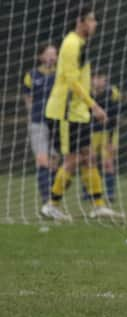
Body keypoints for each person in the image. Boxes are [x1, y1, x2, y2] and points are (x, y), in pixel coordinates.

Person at [41, 5, 121, 221]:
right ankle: (51, 204)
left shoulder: (81, 44)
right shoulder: (70, 44)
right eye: (91, 20)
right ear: (80, 21)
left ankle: (99, 205)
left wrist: (87, 106)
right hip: (65, 113)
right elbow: (71, 80)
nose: (95, 24)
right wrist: (93, 105)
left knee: (88, 157)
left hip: (78, 113)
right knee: (72, 159)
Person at [23, 43, 58, 204]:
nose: (52, 57)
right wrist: (34, 117)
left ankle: (54, 197)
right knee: (42, 160)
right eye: (48, 54)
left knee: (55, 160)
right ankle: (46, 198)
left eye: (54, 54)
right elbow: (28, 100)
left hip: (57, 122)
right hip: (38, 122)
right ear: (41, 56)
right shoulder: (31, 75)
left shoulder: (59, 75)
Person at [88, 68, 122, 202]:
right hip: (91, 133)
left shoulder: (112, 92)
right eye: (95, 77)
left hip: (109, 132)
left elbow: (115, 117)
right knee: (90, 161)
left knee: (108, 162)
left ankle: (110, 193)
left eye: (101, 77)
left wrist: (111, 141)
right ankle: (89, 192)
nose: (99, 80)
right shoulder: (87, 92)